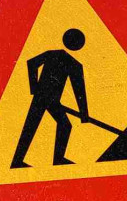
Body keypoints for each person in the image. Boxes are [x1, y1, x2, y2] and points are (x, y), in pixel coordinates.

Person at [10, 28, 89, 169]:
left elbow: (79, 90)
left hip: (50, 100)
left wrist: (84, 114)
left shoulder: (59, 57)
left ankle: (55, 159)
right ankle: (19, 161)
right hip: (43, 98)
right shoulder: (73, 63)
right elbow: (79, 91)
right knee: (32, 126)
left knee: (56, 125)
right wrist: (83, 114)